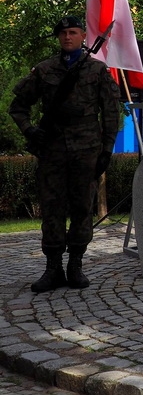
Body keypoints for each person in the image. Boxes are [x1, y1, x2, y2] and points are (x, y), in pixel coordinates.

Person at [9, 16, 121, 293]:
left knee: (83, 207)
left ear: (83, 35)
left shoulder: (97, 71)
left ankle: (76, 265)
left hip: (87, 149)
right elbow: (18, 106)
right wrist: (30, 131)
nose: (67, 37)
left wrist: (107, 149)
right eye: (62, 33)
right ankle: (53, 267)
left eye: (72, 32)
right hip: (53, 150)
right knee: (52, 209)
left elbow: (110, 114)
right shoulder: (44, 70)